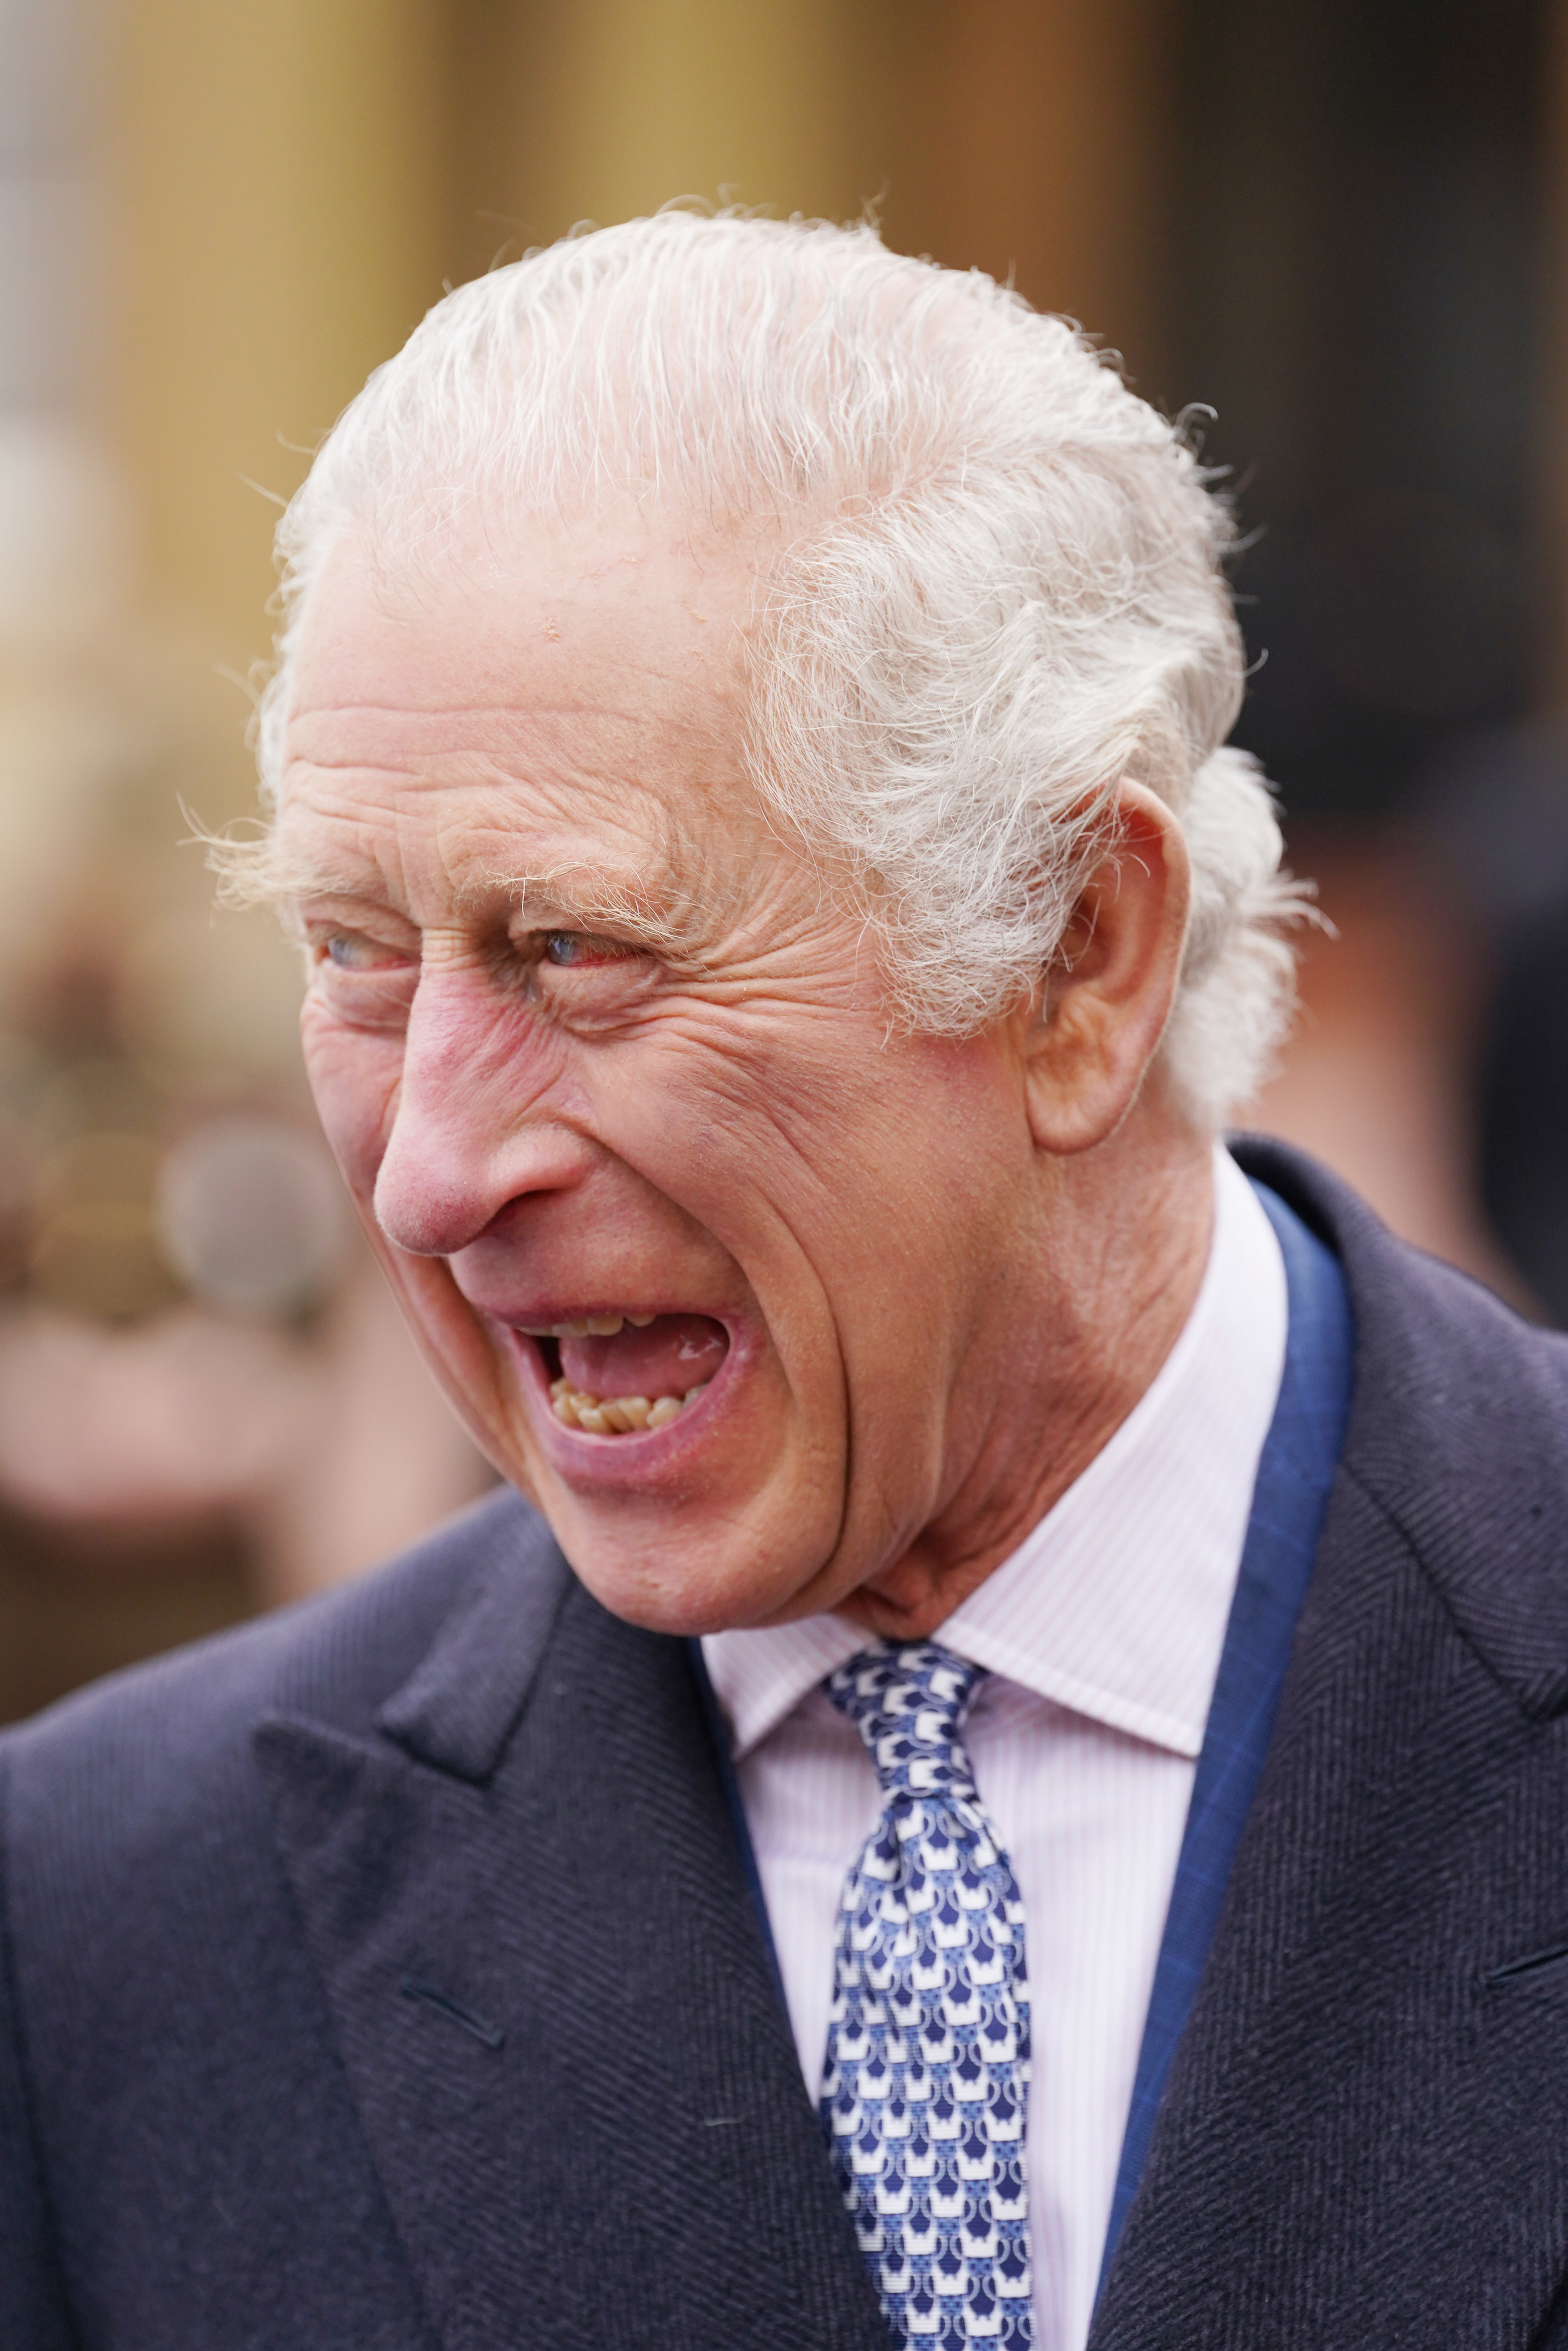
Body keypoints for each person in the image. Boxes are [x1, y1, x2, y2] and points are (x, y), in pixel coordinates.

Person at [3, 212, 1566, 2351]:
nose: (437, 1167)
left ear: (1072, 954)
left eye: (579, 953)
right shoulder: (106, 1923)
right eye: (359, 951)